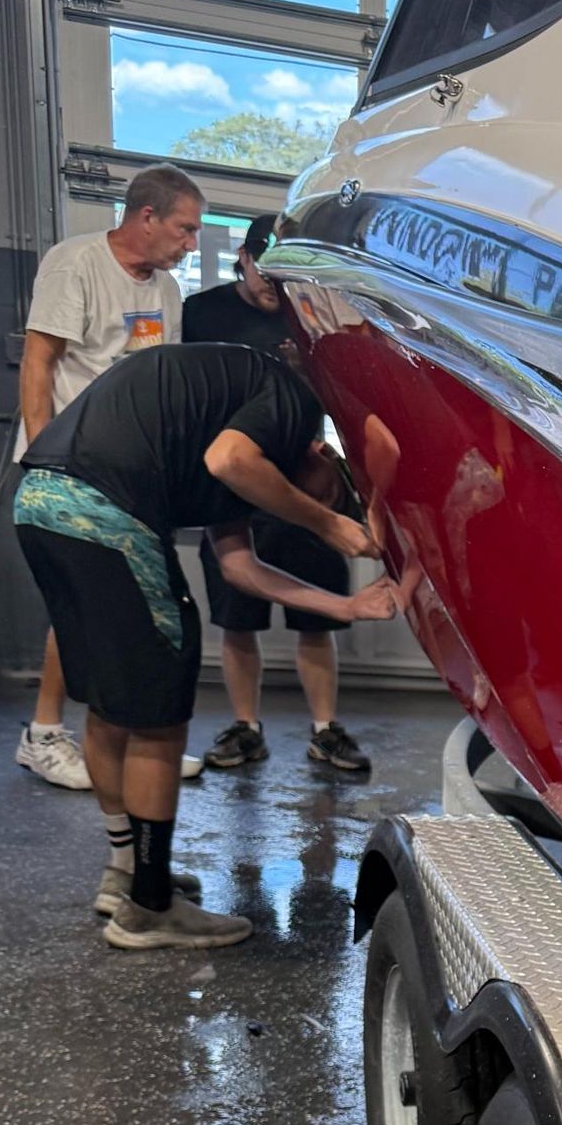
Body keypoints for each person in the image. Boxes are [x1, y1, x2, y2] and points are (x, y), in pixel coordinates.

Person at [13, 341, 400, 952]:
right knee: (159, 716)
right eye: (327, 492)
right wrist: (326, 523)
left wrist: (347, 606)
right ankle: (149, 910)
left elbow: (241, 566)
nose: (314, 503)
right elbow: (231, 461)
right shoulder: (292, 404)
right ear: (320, 454)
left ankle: (129, 875)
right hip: (107, 509)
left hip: (40, 502)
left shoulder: (233, 421)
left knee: (113, 707)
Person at [14, 163, 205, 789]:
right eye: (185, 228)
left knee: (136, 604)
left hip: (134, 472)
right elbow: (38, 363)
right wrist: (45, 458)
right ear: (145, 216)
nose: (191, 243)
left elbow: (159, 381)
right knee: (85, 603)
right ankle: (43, 736)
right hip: (73, 467)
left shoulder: (167, 291)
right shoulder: (77, 264)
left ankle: (140, 739)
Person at [183, 215, 373, 779]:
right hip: (233, 484)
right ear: (241, 258)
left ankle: (325, 731)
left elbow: (346, 394)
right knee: (238, 617)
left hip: (302, 485)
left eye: (284, 278)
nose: (274, 288)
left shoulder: (313, 315)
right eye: (264, 275)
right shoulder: (200, 314)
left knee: (317, 616)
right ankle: (247, 727)